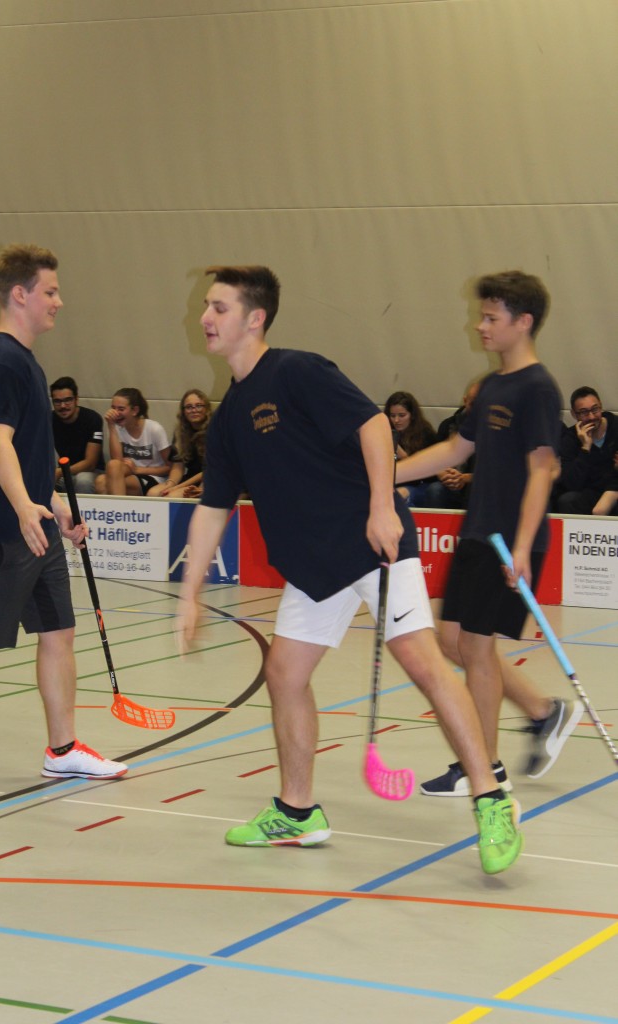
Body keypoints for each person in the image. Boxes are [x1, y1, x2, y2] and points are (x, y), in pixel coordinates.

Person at [178, 264, 522, 876]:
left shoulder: (297, 371)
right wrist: (190, 590)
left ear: (255, 319)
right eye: (207, 305)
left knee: (422, 662)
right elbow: (213, 506)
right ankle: (298, 811)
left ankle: (492, 799)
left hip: (371, 541)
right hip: (316, 566)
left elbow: (372, 424)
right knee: (284, 674)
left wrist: (381, 505)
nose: (205, 317)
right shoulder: (229, 417)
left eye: (219, 307)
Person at [0, 244, 128, 800]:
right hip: (1, 529)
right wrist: (24, 507)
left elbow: (26, 450)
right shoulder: (0, 360)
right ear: (19, 294)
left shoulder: (23, 359)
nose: (59, 302)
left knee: (58, 631)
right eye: (50, 291)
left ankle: (63, 751)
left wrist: (52, 504)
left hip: (33, 524)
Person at [395, 271, 582, 796]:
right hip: (479, 532)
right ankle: (542, 711)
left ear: (523, 322)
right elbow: (456, 450)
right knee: (453, 640)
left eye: (490, 317)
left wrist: (521, 547)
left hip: (511, 540)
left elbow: (542, 470)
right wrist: (385, 474)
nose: (480, 325)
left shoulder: (538, 388)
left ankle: (484, 768)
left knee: (475, 649)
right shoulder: (494, 385)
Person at [553, 387, 618, 516]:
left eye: (595, 409)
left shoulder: (615, 426)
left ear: (601, 406)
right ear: (574, 414)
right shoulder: (570, 439)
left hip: (614, 487)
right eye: (584, 412)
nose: (591, 416)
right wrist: (585, 448)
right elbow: (571, 484)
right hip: (590, 491)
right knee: (567, 500)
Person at [95, 388, 171, 495]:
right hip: (129, 472)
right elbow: (117, 461)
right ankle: (118, 505)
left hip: (154, 476)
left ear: (135, 410)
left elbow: (169, 467)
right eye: (113, 408)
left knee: (106, 484)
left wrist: (138, 470)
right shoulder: (115, 427)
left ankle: (118, 506)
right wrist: (111, 426)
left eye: (121, 409)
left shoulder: (154, 429)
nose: (115, 413)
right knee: (101, 480)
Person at [422, 379, 480, 510]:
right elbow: (435, 460)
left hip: (476, 484)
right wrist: (444, 475)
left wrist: (465, 478)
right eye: (473, 404)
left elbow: (493, 472)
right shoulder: (448, 425)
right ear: (465, 401)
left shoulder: (493, 431)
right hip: (450, 483)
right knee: (434, 490)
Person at [149, 388, 212, 499]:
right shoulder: (180, 433)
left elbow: (210, 469)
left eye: (199, 406)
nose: (194, 410)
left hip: (211, 479)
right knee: (153, 493)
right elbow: (178, 465)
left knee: (171, 496)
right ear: (183, 411)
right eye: (189, 407)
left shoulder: (215, 431)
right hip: (191, 477)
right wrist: (170, 484)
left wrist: (177, 488)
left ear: (206, 408)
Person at [51, 375, 104, 495]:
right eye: (57, 401)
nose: (63, 406)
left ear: (76, 400)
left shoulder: (92, 419)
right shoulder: (49, 420)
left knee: (83, 480)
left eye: (67, 400)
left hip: (92, 472)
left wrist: (60, 472)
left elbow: (90, 463)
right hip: (64, 472)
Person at [383, 391, 437, 506]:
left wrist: (402, 455)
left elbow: (427, 472)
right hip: (392, 483)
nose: (396, 420)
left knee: (401, 496)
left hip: (420, 484)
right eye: (392, 416)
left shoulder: (425, 434)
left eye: (402, 415)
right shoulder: (384, 433)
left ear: (412, 415)